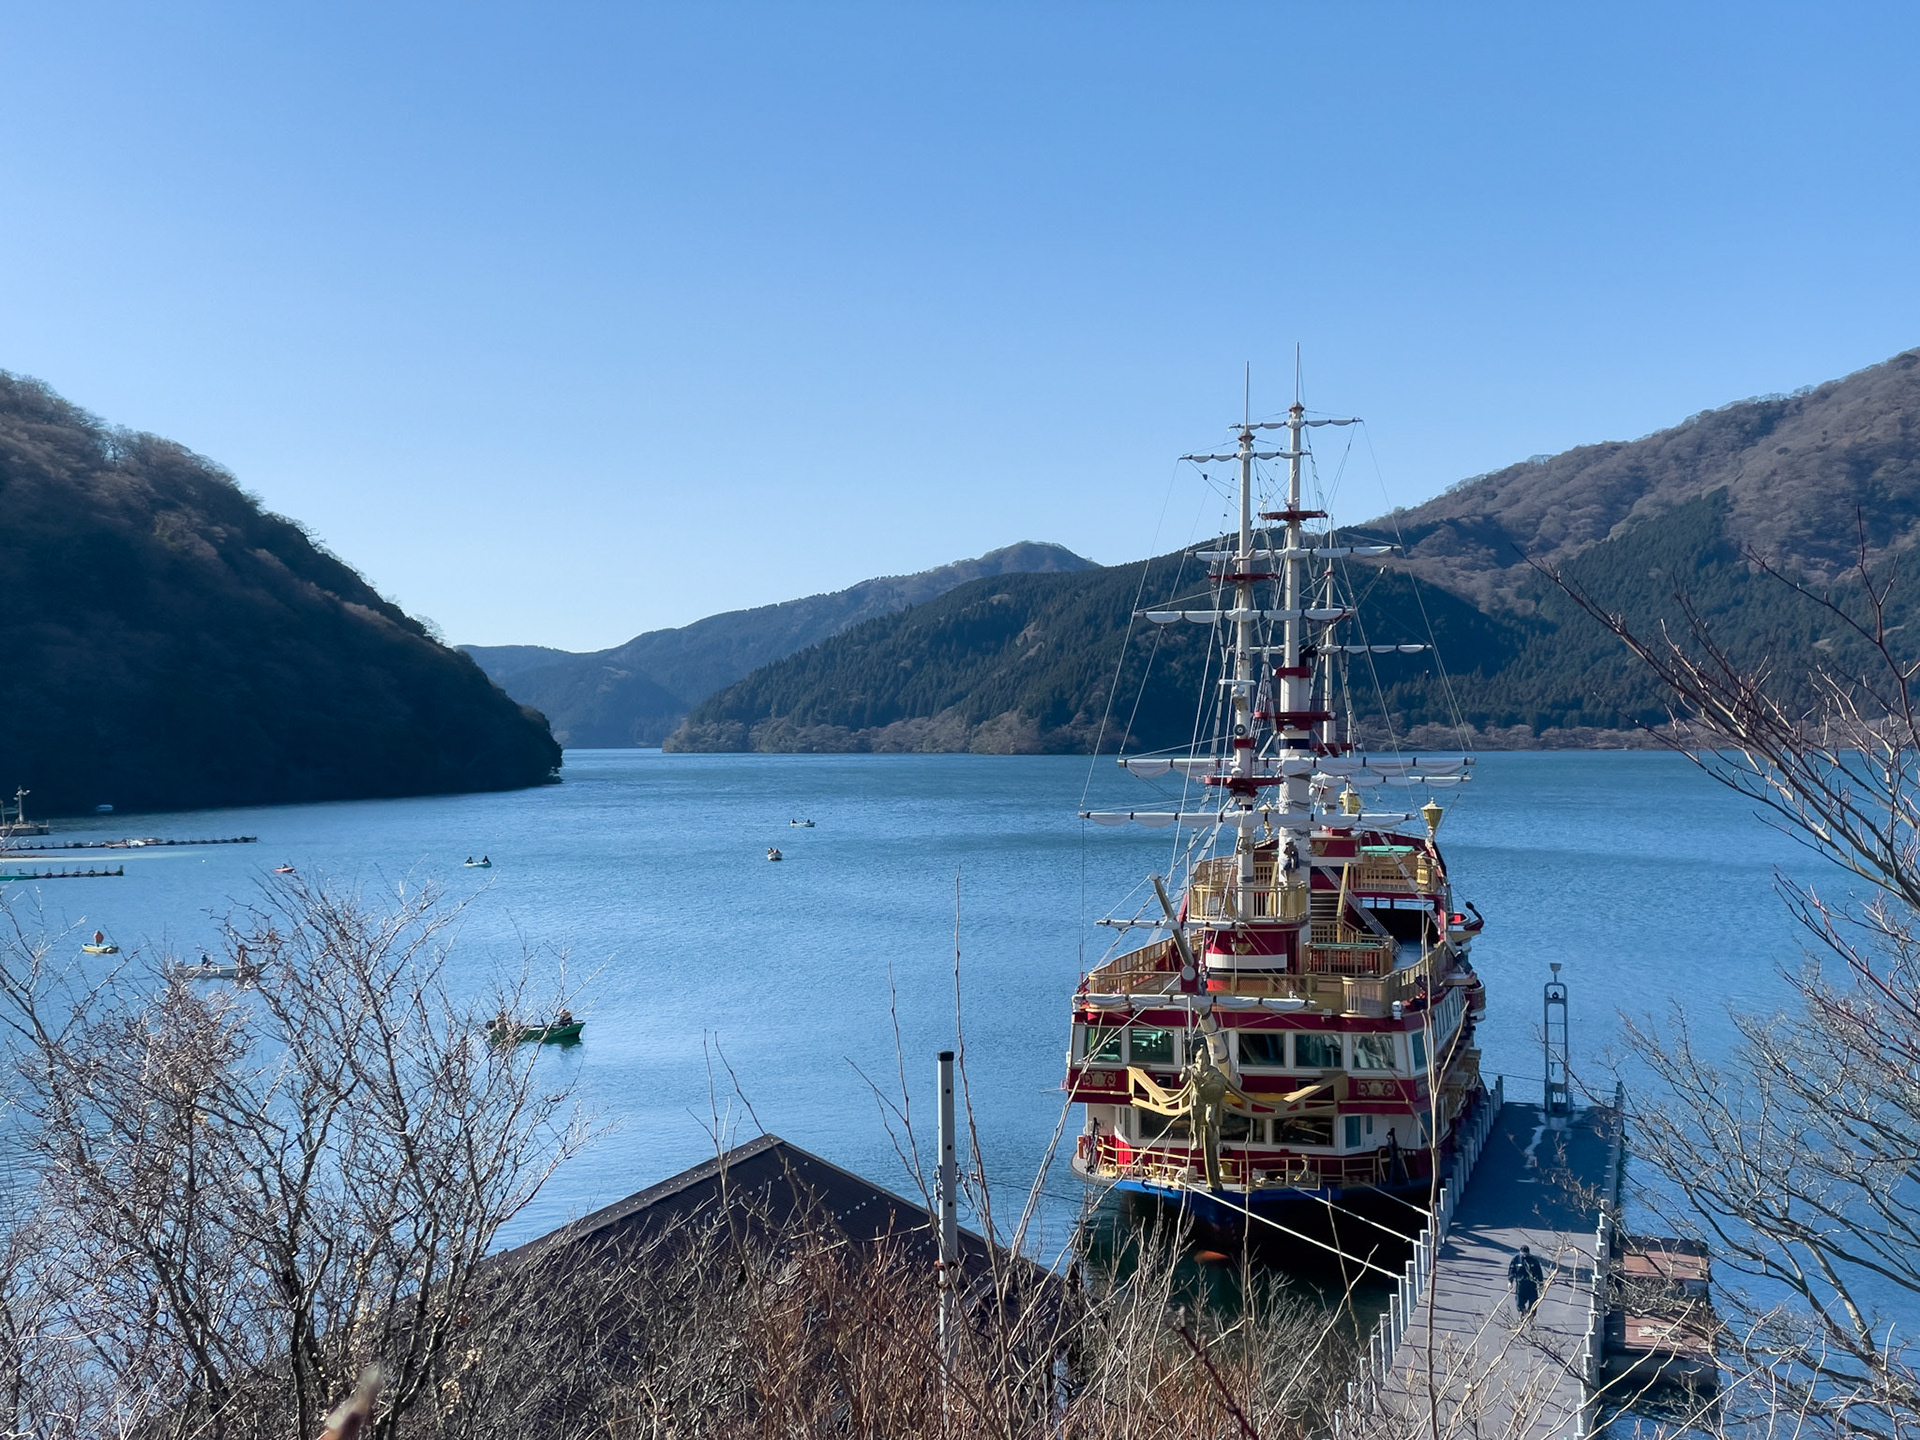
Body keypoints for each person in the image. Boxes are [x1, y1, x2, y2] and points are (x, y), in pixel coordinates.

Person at [1508, 1244, 1545, 1317]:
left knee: (1533, 1302)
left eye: (1526, 1253)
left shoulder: (1534, 1260)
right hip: (1521, 1284)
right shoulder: (1516, 1259)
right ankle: (1522, 1312)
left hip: (1532, 1285)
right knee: (1519, 1302)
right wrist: (1510, 1281)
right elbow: (1511, 1270)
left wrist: (1541, 1284)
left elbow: (1539, 1272)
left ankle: (1531, 1317)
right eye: (1523, 1253)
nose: (1524, 1255)